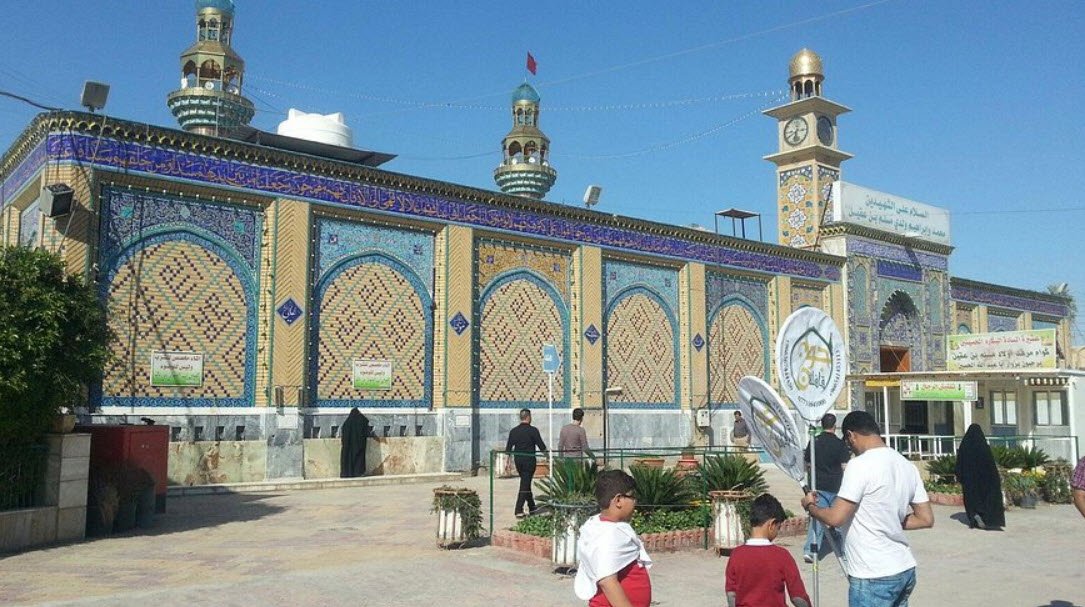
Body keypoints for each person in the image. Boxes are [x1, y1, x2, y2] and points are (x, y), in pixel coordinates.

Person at [800, 410, 934, 607]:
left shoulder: (860, 465)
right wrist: (888, 519)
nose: (850, 447)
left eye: (848, 442)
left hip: (873, 574)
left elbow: (836, 517)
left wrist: (811, 506)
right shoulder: (906, 466)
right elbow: (925, 518)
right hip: (904, 567)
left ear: (851, 435)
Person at [575, 470, 652, 607]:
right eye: (632, 497)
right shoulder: (609, 535)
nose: (635, 502)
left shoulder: (599, 526)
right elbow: (607, 580)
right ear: (618, 500)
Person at [726, 493, 811, 607]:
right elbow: (798, 597)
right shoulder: (782, 556)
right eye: (778, 527)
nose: (777, 532)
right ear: (771, 524)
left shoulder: (736, 555)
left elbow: (731, 594)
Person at [803, 412, 851, 562]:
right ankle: (844, 551)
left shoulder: (814, 441)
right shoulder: (840, 444)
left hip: (818, 486)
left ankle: (810, 551)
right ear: (834, 426)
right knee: (840, 518)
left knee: (817, 518)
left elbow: (807, 464)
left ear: (822, 425)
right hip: (836, 486)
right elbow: (845, 467)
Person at [955, 424, 1005, 530]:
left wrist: (960, 476)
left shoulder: (965, 446)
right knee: (986, 499)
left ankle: (974, 515)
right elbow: (991, 465)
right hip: (985, 480)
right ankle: (987, 518)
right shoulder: (983, 446)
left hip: (969, 481)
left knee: (971, 499)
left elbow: (959, 463)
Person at [505, 408, 547, 517]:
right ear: (528, 417)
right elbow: (541, 446)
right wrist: (547, 456)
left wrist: (507, 462)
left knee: (525, 482)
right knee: (525, 483)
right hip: (529, 461)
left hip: (518, 460)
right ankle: (518, 509)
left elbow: (508, 448)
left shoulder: (513, 431)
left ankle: (532, 506)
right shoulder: (533, 430)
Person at [339, 407, 370, 478]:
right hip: (359, 445)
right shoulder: (361, 420)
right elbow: (366, 423)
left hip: (348, 446)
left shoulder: (347, 422)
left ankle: (347, 473)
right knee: (359, 459)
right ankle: (358, 472)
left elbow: (344, 435)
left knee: (348, 458)